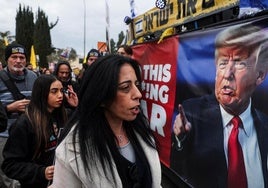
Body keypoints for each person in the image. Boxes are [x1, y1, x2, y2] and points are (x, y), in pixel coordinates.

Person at [170, 23, 268, 187]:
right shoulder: (192, 113)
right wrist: (180, 141)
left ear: (260, 75)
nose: (227, 74)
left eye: (239, 63)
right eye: (223, 63)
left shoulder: (265, 125)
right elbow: (178, 173)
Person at [49, 55, 162, 187]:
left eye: (137, 85)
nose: (138, 94)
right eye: (125, 87)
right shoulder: (73, 147)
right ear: (101, 96)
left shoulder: (142, 130)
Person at [1, 74, 78, 188]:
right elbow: (10, 165)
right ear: (42, 93)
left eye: (61, 91)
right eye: (54, 91)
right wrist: (41, 172)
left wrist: (76, 107)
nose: (60, 95)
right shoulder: (25, 124)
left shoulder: (64, 115)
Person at [0, 43, 38, 188]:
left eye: (22, 57)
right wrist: (9, 108)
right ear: (7, 59)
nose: (18, 60)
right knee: (6, 176)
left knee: (26, 171)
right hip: (4, 135)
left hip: (27, 134)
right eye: (14, 57)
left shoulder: (34, 77)